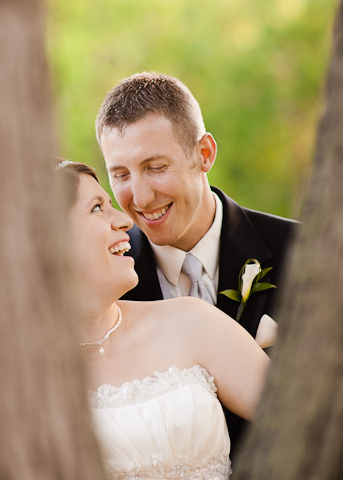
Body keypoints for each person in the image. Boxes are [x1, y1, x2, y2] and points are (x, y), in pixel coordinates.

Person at [95, 71, 298, 453]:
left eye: (155, 167)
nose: (140, 196)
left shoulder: (303, 253)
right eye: (120, 174)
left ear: (204, 154)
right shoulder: (109, 283)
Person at [58, 161, 268, 480]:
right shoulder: (16, 376)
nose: (125, 220)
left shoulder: (191, 321)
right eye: (97, 208)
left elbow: (316, 427)